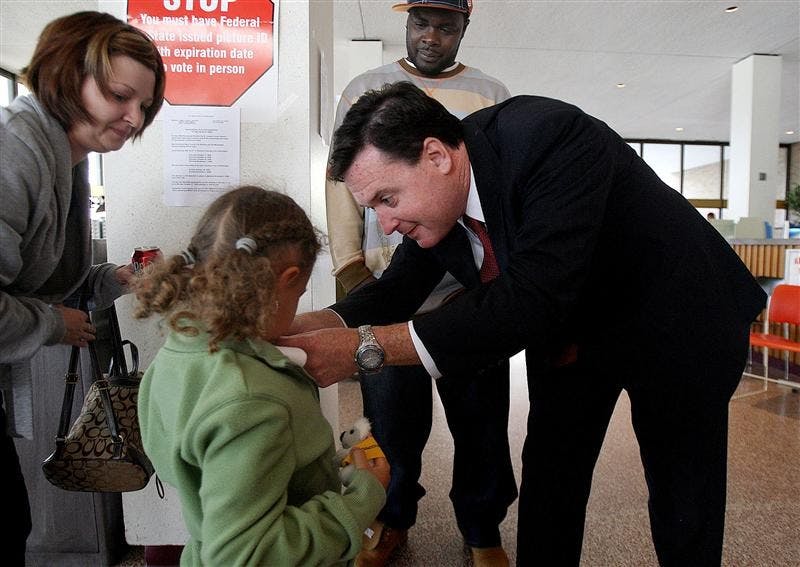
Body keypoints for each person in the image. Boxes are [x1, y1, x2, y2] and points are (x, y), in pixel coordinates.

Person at [279, 82, 767, 566]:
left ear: (435, 156)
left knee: (682, 491)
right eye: (374, 208)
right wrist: (303, 325)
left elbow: (532, 298)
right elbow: (397, 289)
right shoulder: (441, 204)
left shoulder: (550, 137)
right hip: (577, 330)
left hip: (677, 316)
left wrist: (363, 347)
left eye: (387, 199)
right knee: (552, 475)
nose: (384, 224)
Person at [326, 1, 516, 564]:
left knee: (481, 420)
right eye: (420, 23)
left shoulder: (492, 93)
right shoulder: (366, 87)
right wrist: (349, 267)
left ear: (463, 29)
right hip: (391, 285)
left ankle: (482, 528)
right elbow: (340, 179)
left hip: (470, 289)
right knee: (389, 423)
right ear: (404, 24)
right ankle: (390, 518)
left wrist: (492, 277)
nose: (431, 37)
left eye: (445, 26)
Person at [133, 186, 390, 566]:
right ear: (286, 280)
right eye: (300, 293)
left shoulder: (177, 353)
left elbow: (220, 469)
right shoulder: (250, 399)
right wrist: (363, 497)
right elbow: (247, 554)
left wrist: (319, 465)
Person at [0, 11, 166, 564]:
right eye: (120, 95)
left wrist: (111, 281)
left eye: (144, 105)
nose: (132, 117)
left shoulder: (65, 158)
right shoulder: (16, 152)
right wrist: (54, 324)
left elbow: (42, 279)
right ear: (70, 76)